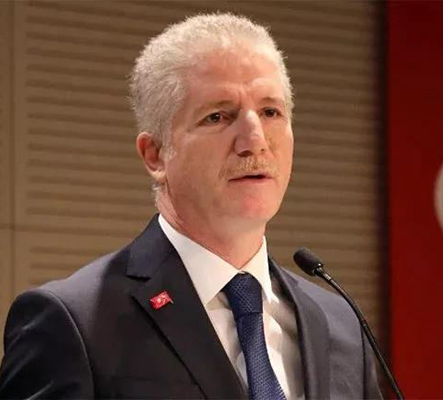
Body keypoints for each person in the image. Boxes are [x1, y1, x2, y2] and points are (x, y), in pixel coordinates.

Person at [0, 13, 382, 399]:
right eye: (218, 116)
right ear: (155, 155)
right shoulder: (74, 323)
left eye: (270, 112)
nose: (255, 140)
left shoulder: (342, 326)